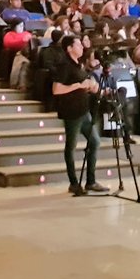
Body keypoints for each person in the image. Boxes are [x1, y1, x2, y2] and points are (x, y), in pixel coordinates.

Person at [52, 35, 106, 196]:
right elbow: (56, 89)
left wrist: (91, 87)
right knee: (71, 146)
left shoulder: (79, 65)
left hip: (84, 109)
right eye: (78, 45)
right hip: (71, 111)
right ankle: (74, 182)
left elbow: (82, 84)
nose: (82, 47)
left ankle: (90, 180)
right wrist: (78, 86)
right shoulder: (64, 65)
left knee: (94, 142)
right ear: (69, 48)